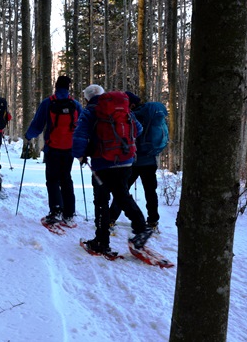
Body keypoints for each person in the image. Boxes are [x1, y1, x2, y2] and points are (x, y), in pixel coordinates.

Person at [73, 85, 152, 256]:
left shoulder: (90, 112)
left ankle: (101, 242)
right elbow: (138, 129)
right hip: (126, 161)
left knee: (101, 201)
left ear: (87, 98)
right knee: (122, 194)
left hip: (103, 163)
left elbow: (79, 135)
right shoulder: (123, 109)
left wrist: (80, 155)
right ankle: (141, 227)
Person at [25, 75, 83, 227]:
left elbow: (38, 124)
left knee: (52, 180)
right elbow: (82, 125)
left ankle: (56, 211)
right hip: (69, 149)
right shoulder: (75, 104)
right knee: (66, 178)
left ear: (56, 87)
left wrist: (28, 136)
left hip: (52, 148)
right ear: (68, 88)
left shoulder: (48, 103)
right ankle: (69, 213)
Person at [109, 91, 169, 232]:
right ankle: (153, 221)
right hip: (150, 160)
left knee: (122, 191)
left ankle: (111, 219)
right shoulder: (150, 114)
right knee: (150, 192)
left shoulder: (132, 116)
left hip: (134, 161)